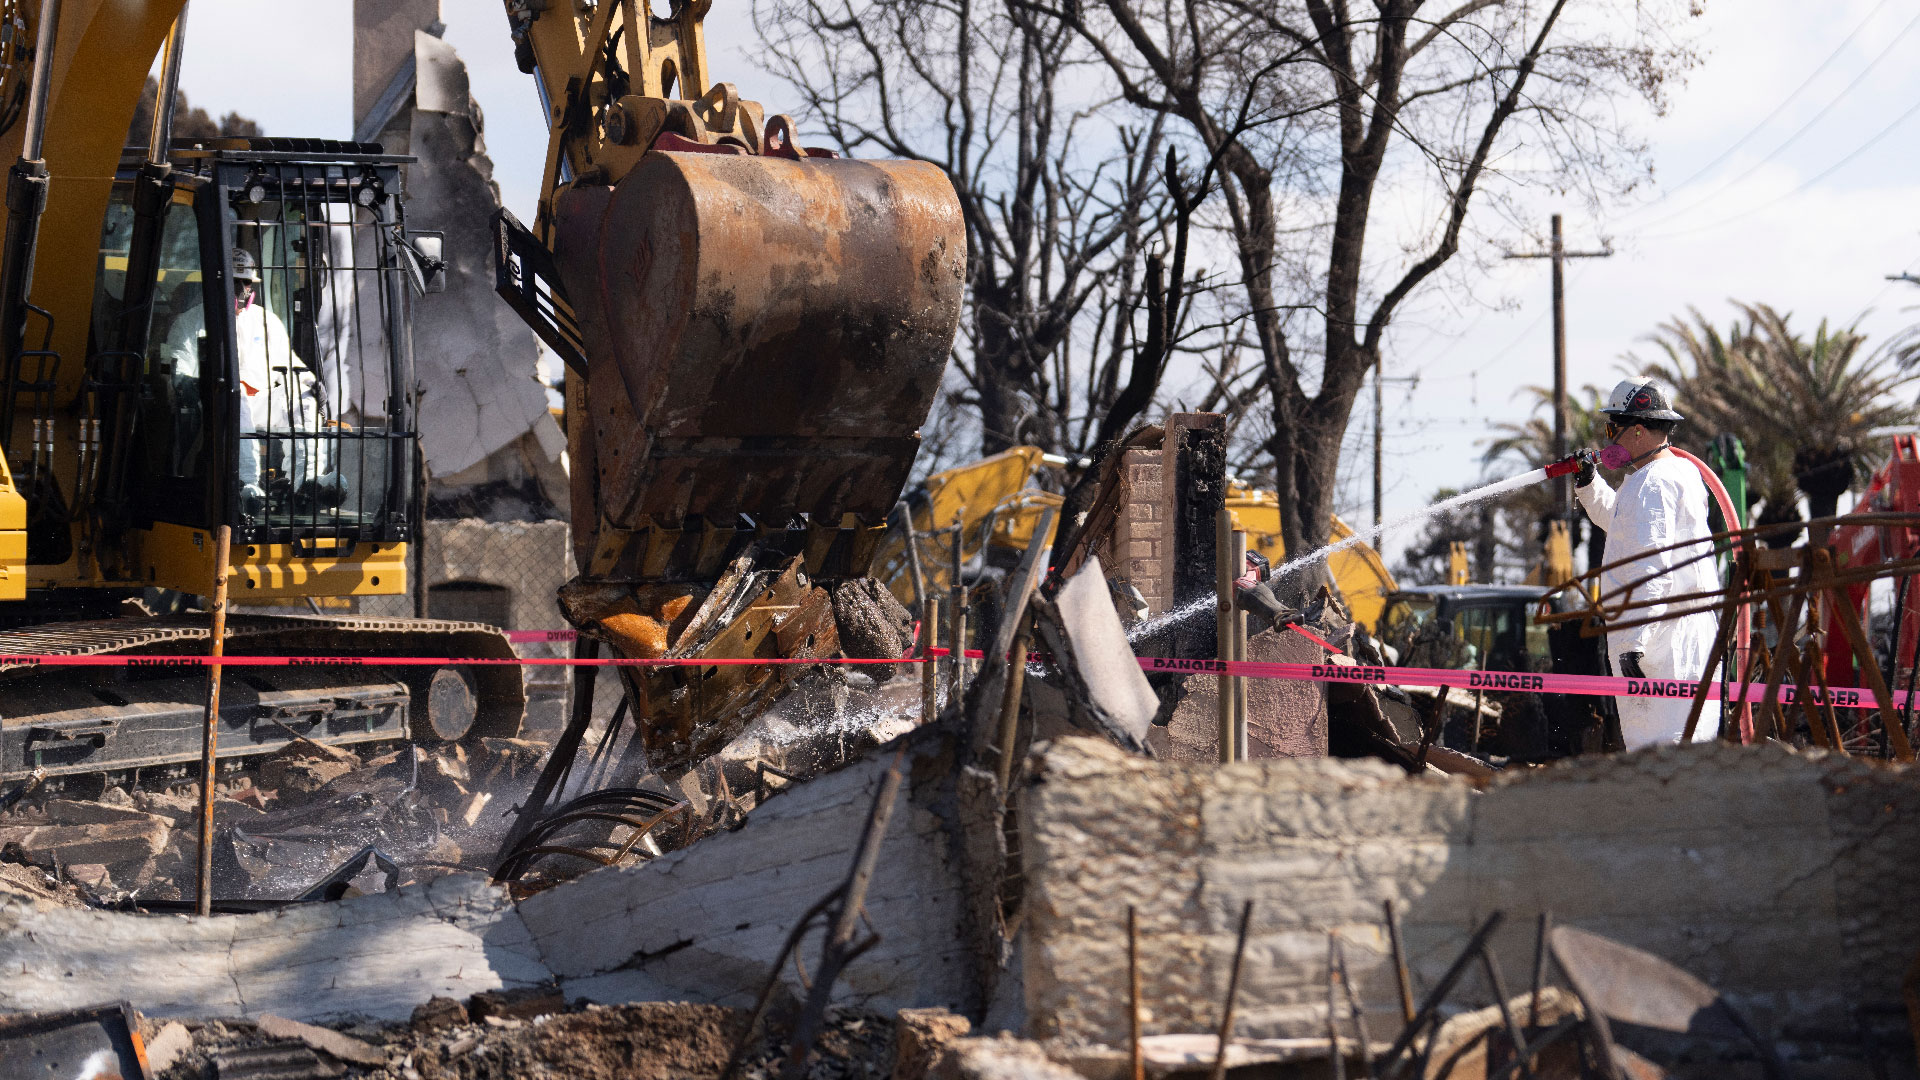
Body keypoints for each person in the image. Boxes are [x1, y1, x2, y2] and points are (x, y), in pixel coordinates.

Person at [1573, 375, 1720, 748]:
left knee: (1663, 753)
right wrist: (1590, 484)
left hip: (1660, 639)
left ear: (1638, 430)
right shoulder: (1669, 474)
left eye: (1612, 428)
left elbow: (1652, 564)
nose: (1609, 439)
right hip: (1672, 631)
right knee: (1680, 751)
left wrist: (1634, 641)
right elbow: (1625, 528)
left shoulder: (1652, 483)